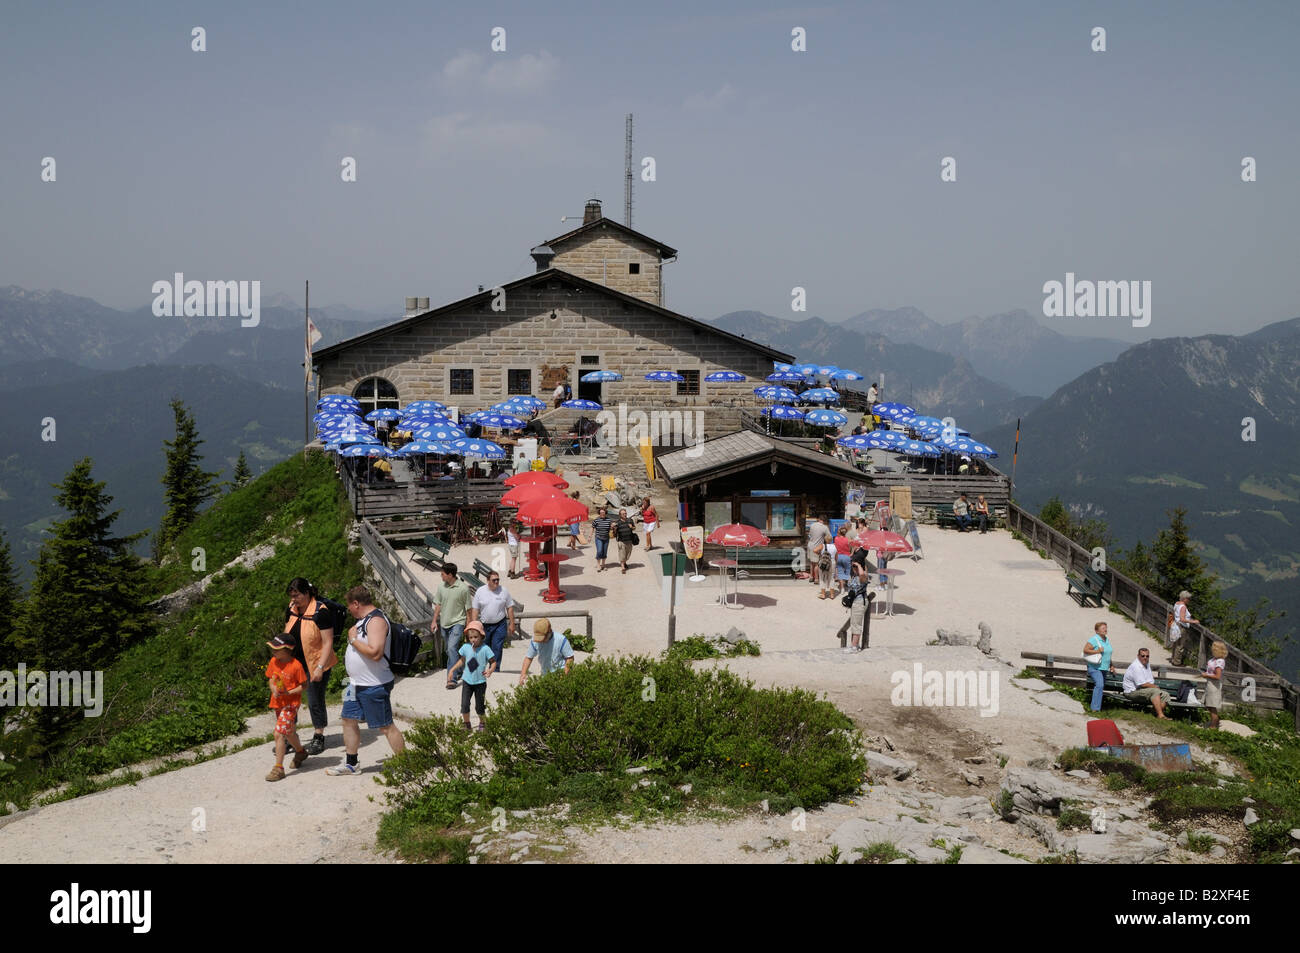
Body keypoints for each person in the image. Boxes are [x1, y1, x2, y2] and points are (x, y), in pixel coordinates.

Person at [325, 586, 406, 776]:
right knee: (348, 719)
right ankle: (351, 763)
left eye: (349, 606)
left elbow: (376, 653)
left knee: (385, 726)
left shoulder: (376, 620)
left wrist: (353, 640)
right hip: (353, 683)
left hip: (373, 684)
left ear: (356, 603)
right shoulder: (363, 621)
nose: (349, 610)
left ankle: (406, 765)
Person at [283, 578, 338, 756]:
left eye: (297, 595)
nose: (294, 599)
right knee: (291, 700)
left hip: (315, 663)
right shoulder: (291, 610)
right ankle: (291, 736)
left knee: (315, 699)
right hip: (294, 665)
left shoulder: (320, 612)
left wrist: (320, 667)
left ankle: (318, 735)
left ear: (307, 593)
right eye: (292, 596)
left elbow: (328, 642)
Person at [264, 634, 310, 781]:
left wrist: (289, 692)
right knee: (289, 733)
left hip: (290, 705)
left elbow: (304, 685)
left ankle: (278, 768)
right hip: (278, 703)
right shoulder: (273, 661)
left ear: (288, 649)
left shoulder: (296, 665)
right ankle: (301, 752)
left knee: (279, 734)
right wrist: (273, 689)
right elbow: (271, 679)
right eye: (272, 648)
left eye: (277, 649)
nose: (273, 652)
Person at [431, 564, 475, 690]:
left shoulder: (463, 589)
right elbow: (438, 605)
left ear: (450, 575)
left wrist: (469, 626)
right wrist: (434, 621)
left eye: (442, 574)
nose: (441, 576)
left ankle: (452, 679)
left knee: (451, 648)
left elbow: (468, 609)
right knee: (450, 650)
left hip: (458, 622)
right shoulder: (441, 587)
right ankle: (460, 668)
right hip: (444, 623)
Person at [449, 620, 496, 732]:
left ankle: (483, 723)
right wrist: (452, 670)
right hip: (467, 682)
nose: (473, 639)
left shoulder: (485, 649)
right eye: (471, 637)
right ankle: (466, 724)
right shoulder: (466, 647)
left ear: (482, 635)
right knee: (464, 705)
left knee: (479, 707)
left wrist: (490, 670)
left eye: (476, 637)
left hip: (480, 682)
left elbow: (493, 662)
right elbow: (462, 660)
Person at [469, 569, 514, 674]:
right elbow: (475, 609)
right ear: (488, 580)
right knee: (483, 647)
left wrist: (512, 623)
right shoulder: (480, 591)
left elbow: (510, 608)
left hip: (500, 624)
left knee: (497, 647)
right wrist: (474, 625)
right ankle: (479, 669)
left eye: (498, 580)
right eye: (494, 580)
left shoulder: (504, 591)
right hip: (484, 624)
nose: (496, 582)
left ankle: (495, 669)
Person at [518, 618, 574, 683]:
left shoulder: (561, 639)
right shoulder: (535, 641)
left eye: (542, 638)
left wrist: (565, 674)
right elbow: (529, 658)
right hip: (545, 674)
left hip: (561, 671)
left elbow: (570, 658)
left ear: (549, 631)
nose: (540, 641)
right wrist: (523, 674)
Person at [1122, 647, 1171, 719]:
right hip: (1131, 692)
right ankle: (1160, 715)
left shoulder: (1147, 664)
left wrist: (1153, 686)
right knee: (1155, 691)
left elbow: (1150, 681)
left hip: (1142, 690)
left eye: (1147, 656)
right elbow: (1142, 684)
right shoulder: (1136, 666)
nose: (1145, 658)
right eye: (1143, 656)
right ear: (1138, 656)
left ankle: (1154, 712)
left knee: (1166, 695)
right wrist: (1154, 687)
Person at [1082, 621, 1116, 713]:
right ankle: (1095, 709)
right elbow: (1085, 650)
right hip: (1095, 668)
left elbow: (1107, 654)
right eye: (1103, 628)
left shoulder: (1107, 639)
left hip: (1104, 668)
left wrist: (1111, 665)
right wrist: (1097, 651)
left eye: (1106, 628)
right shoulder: (1094, 639)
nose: (1105, 629)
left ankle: (1097, 707)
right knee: (1100, 685)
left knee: (1100, 686)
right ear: (1097, 631)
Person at [844, 562, 875, 653]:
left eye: (856, 567)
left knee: (856, 624)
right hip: (855, 603)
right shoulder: (855, 576)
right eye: (853, 567)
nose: (854, 568)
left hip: (859, 602)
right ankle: (855, 645)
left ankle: (854, 647)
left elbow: (862, 575)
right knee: (854, 623)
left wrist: (859, 565)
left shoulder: (863, 577)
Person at [1168, 591, 1199, 667]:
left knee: (1176, 643)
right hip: (1181, 627)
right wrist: (1193, 621)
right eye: (1188, 598)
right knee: (1180, 645)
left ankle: (1173, 659)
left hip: (1176, 625)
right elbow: (1182, 619)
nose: (1189, 600)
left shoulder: (1177, 604)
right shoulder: (1183, 607)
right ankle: (1177, 662)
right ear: (1184, 598)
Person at [1202, 640, 1227, 729]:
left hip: (1214, 685)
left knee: (1212, 706)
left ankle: (1213, 726)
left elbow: (1217, 676)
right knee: (1209, 705)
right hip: (1209, 684)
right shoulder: (1213, 659)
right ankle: (1215, 722)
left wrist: (1206, 675)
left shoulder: (1220, 661)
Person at [806, 515, 831, 588]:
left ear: (818, 519)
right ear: (824, 521)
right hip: (817, 546)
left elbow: (810, 534)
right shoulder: (824, 527)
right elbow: (829, 537)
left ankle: (811, 577)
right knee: (816, 563)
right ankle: (816, 578)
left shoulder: (812, 525)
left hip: (810, 545)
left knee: (811, 562)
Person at [614, 508, 637, 574]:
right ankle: (623, 567)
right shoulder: (617, 522)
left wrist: (631, 527)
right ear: (620, 515)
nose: (625, 514)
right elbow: (614, 533)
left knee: (627, 555)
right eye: (623, 514)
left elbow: (634, 528)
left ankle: (624, 562)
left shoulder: (630, 520)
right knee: (622, 554)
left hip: (629, 541)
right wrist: (615, 529)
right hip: (621, 541)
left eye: (625, 513)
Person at [833, 524, 853, 595]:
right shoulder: (848, 540)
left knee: (840, 572)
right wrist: (852, 553)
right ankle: (849, 587)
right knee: (848, 571)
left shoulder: (836, 539)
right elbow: (853, 546)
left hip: (839, 556)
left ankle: (842, 588)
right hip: (846, 556)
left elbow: (835, 547)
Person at [592, 506, 613, 572]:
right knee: (599, 551)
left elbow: (611, 529)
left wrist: (612, 527)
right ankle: (598, 565)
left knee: (604, 551)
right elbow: (593, 527)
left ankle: (603, 565)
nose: (602, 514)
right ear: (599, 513)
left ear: (605, 513)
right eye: (601, 513)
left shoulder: (609, 520)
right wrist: (590, 536)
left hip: (606, 538)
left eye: (603, 512)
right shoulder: (596, 520)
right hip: (598, 538)